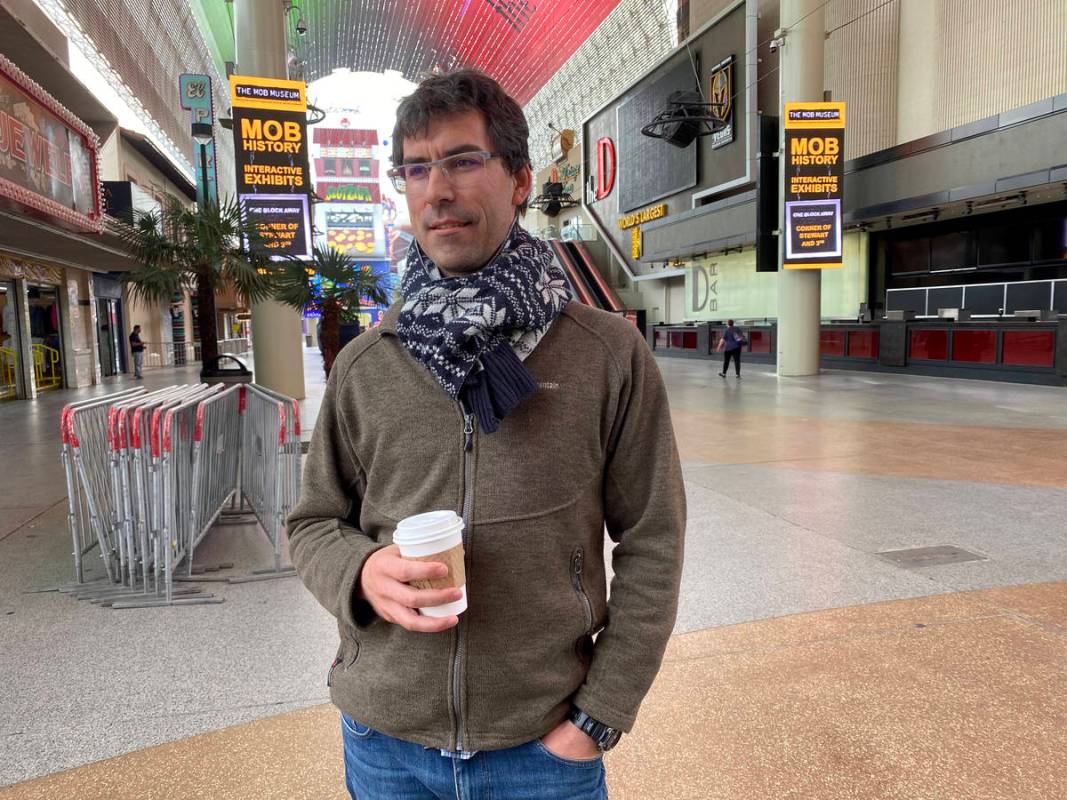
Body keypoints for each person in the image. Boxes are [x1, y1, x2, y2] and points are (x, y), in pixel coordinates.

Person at [287, 69, 686, 800]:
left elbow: (652, 536)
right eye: (415, 169)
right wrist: (360, 573)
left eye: (463, 161)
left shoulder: (605, 355)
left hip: (543, 749)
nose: (436, 191)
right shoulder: (367, 364)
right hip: (387, 744)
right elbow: (313, 522)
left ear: (520, 179)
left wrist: (598, 718)